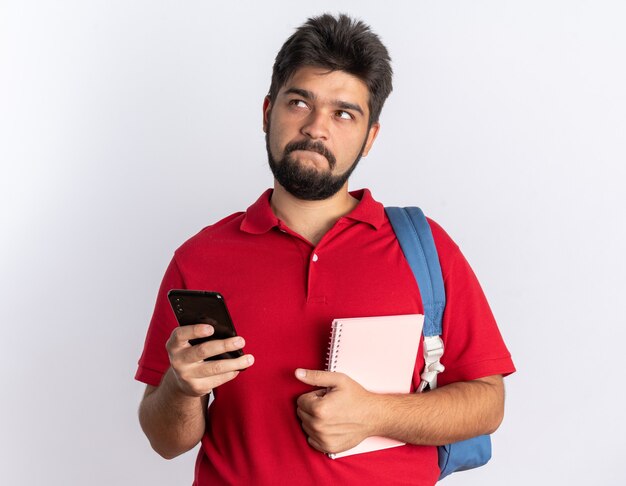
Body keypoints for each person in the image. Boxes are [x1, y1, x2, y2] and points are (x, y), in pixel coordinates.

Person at [136, 13, 515, 486]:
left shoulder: (425, 247)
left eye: (343, 113)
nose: (317, 128)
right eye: (300, 102)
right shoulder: (199, 257)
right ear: (266, 112)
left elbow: (487, 403)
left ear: (369, 137)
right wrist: (180, 387)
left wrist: (376, 414)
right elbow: (165, 439)